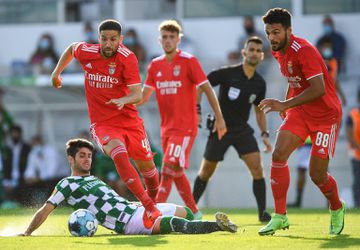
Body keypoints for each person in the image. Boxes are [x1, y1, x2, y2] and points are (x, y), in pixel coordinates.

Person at [50, 19, 161, 227]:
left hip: (129, 120)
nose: (108, 44)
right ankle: (149, 206)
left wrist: (123, 100)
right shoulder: (88, 52)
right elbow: (72, 49)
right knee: (119, 154)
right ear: (98, 38)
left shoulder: (128, 58)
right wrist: (57, 72)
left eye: (112, 39)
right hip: (103, 123)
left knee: (151, 174)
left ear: (121, 39)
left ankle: (152, 204)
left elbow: (138, 95)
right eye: (104, 39)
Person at [20, 138, 237, 236]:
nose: (87, 160)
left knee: (186, 212)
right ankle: (217, 226)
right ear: (70, 159)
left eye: (89, 155)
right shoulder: (67, 184)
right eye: (81, 156)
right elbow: (46, 208)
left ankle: (207, 225)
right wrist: (27, 232)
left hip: (135, 208)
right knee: (172, 222)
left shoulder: (93, 178)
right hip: (127, 222)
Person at [258, 8, 345, 236]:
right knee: (278, 156)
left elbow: (318, 89)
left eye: (276, 32)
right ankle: (280, 216)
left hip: (326, 116)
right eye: (268, 33)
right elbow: (294, 79)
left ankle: (336, 207)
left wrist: (285, 104)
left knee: (317, 175)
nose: (272, 38)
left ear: (289, 30)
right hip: (301, 111)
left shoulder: (304, 50)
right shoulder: (278, 51)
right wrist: (289, 104)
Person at [139, 20, 227, 219]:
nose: (168, 40)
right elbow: (143, 97)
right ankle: (195, 213)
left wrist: (219, 118)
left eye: (172, 37)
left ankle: (154, 212)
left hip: (185, 127)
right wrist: (122, 101)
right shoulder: (154, 65)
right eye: (165, 37)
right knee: (175, 171)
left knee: (168, 167)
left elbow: (207, 88)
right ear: (159, 39)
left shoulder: (189, 61)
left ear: (179, 39)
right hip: (166, 129)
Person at [192, 36, 272, 222]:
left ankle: (262, 214)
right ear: (244, 52)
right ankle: (191, 209)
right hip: (220, 128)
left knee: (257, 169)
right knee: (206, 172)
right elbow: (201, 84)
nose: (254, 53)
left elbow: (259, 112)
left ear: (262, 56)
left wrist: (265, 134)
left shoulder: (260, 83)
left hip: (242, 130)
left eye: (258, 51)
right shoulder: (227, 73)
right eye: (251, 49)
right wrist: (197, 109)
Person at [3, 125, 31, 205]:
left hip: (23, 178)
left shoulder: (27, 148)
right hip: (11, 179)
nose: (14, 135)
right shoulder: (8, 149)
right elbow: (6, 166)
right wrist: (7, 181)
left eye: (16, 133)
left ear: (20, 134)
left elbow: (30, 164)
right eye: (12, 133)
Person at [287, 137, 312, 208]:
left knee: (301, 171)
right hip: (318, 141)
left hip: (307, 142)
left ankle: (298, 202)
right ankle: (330, 202)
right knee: (322, 171)